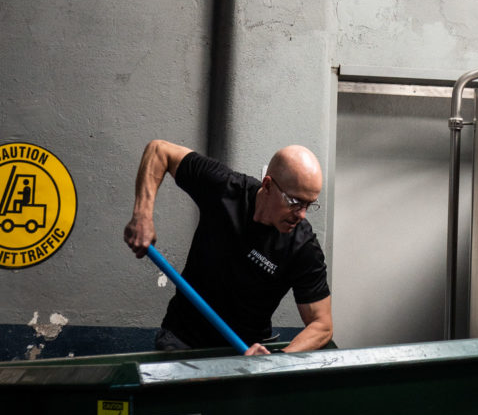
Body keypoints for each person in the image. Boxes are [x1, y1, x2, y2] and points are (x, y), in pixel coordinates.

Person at [124, 140, 333, 355]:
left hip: (244, 353)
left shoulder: (303, 246)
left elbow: (322, 326)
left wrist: (278, 359)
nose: (301, 214)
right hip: (181, 340)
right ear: (268, 185)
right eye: (294, 201)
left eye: (309, 204)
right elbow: (159, 151)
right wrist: (142, 216)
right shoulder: (226, 190)